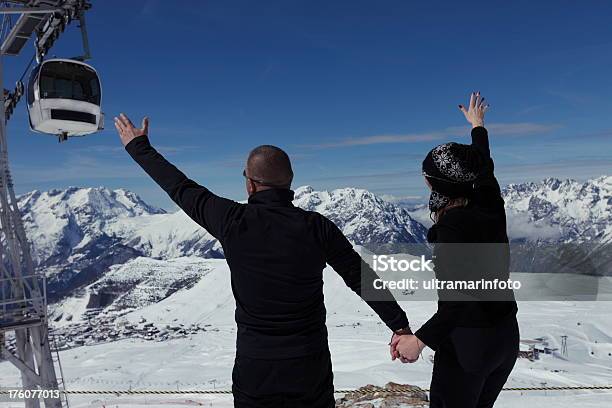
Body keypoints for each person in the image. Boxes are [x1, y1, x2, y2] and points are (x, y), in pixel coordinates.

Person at [114, 114, 413, 408]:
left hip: (255, 365)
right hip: (308, 363)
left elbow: (179, 187)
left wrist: (139, 147)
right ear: (289, 183)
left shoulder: (231, 220)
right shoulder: (317, 227)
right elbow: (360, 277)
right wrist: (399, 326)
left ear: (251, 184)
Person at [391, 92, 519, 407]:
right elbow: (483, 164)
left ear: (435, 185)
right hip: (505, 335)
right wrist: (478, 126)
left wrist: (418, 342)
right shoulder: (489, 201)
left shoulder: (452, 231)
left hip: (469, 346)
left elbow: (458, 303)